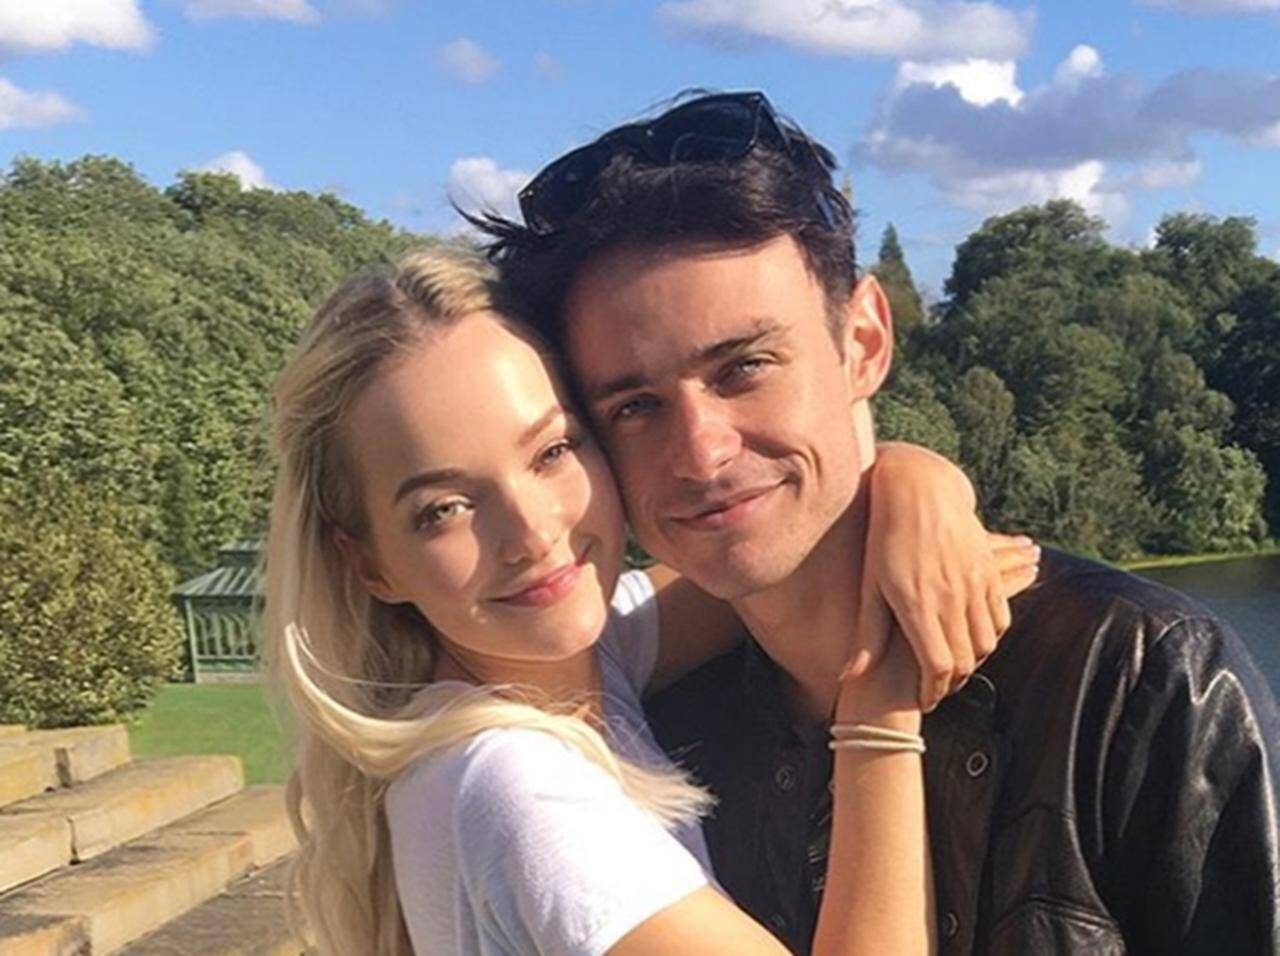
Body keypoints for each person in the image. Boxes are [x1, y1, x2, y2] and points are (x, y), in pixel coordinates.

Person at [479, 90, 1280, 954]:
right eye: (634, 406)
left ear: (863, 342)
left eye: (745, 367)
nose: (701, 453)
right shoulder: (651, 733)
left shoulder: (1135, 678)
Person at [261, 246, 1040, 956]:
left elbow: (775, 541)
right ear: (370, 565)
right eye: (444, 509)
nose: (533, 534)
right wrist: (875, 706)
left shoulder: (577, 665)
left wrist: (916, 481)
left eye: (552, 451)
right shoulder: (519, 787)